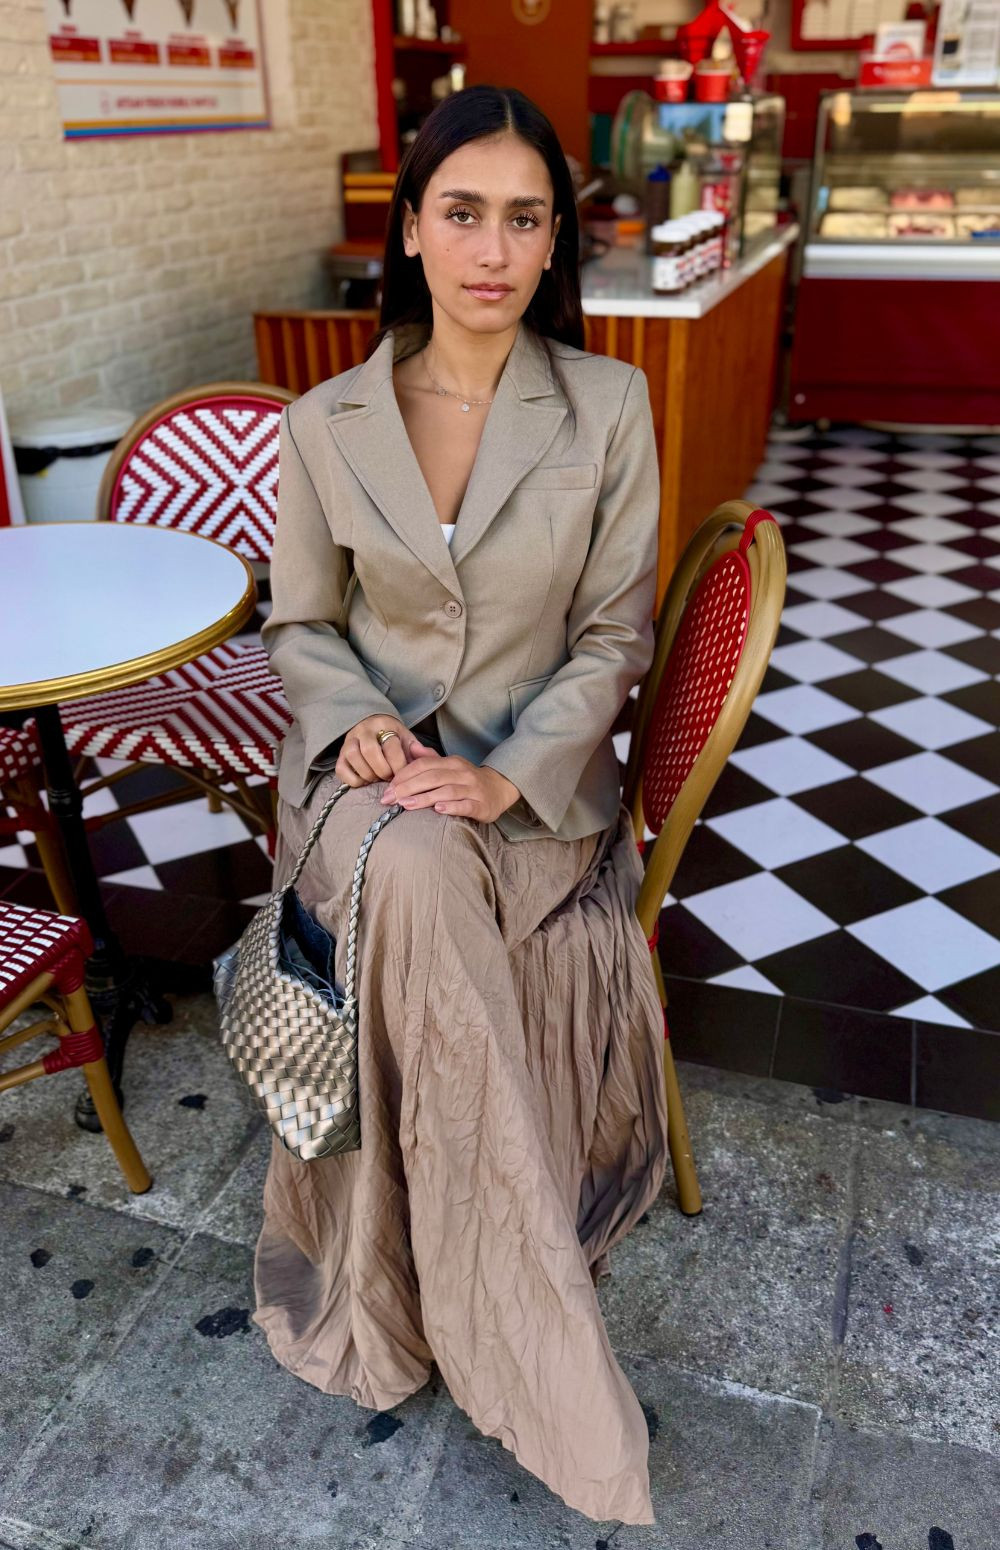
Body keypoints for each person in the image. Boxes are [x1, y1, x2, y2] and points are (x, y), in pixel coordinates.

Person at [252, 83, 670, 1526]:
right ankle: (536, 1346)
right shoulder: (327, 422)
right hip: (365, 784)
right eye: (464, 212)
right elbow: (299, 622)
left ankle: (434, 1300)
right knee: (417, 863)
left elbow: (614, 637)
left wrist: (505, 769)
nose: (493, 249)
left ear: (555, 243)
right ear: (412, 230)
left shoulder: (607, 407)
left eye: (525, 218)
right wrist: (354, 715)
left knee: (432, 866)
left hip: (529, 797)